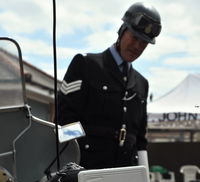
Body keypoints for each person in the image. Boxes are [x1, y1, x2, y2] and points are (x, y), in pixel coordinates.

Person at [57, 2, 162, 172]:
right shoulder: (85, 65)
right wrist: (71, 170)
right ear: (122, 31)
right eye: (134, 37)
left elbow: (140, 141)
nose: (137, 47)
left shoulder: (142, 84)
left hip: (124, 177)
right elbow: (65, 124)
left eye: (143, 43)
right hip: (86, 171)